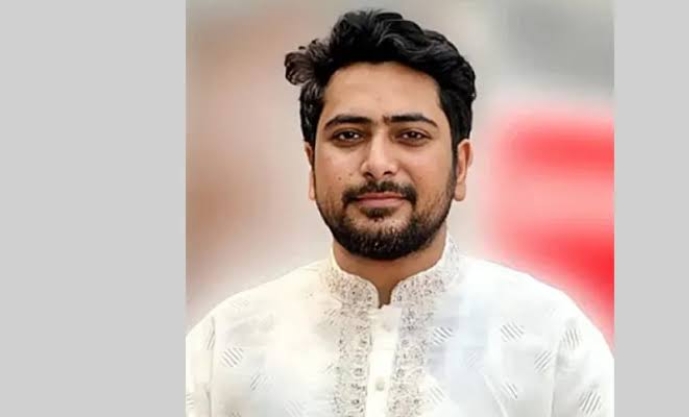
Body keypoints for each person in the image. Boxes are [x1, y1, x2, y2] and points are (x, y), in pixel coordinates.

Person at [186, 8, 613, 417]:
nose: (378, 163)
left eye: (410, 135)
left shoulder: (552, 341)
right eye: (349, 135)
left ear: (461, 166)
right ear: (311, 166)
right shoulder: (224, 346)